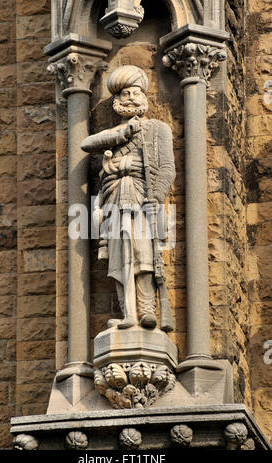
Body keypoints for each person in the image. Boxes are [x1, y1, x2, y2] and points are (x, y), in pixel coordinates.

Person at [81, 65, 175, 330]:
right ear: (116, 101)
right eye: (125, 94)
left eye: (136, 93)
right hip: (114, 200)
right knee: (118, 256)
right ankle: (127, 314)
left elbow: (167, 167)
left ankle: (147, 310)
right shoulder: (114, 136)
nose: (132, 98)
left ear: (144, 97)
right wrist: (124, 133)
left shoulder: (158, 129)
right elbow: (86, 144)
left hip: (142, 199)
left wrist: (156, 195)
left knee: (143, 252)